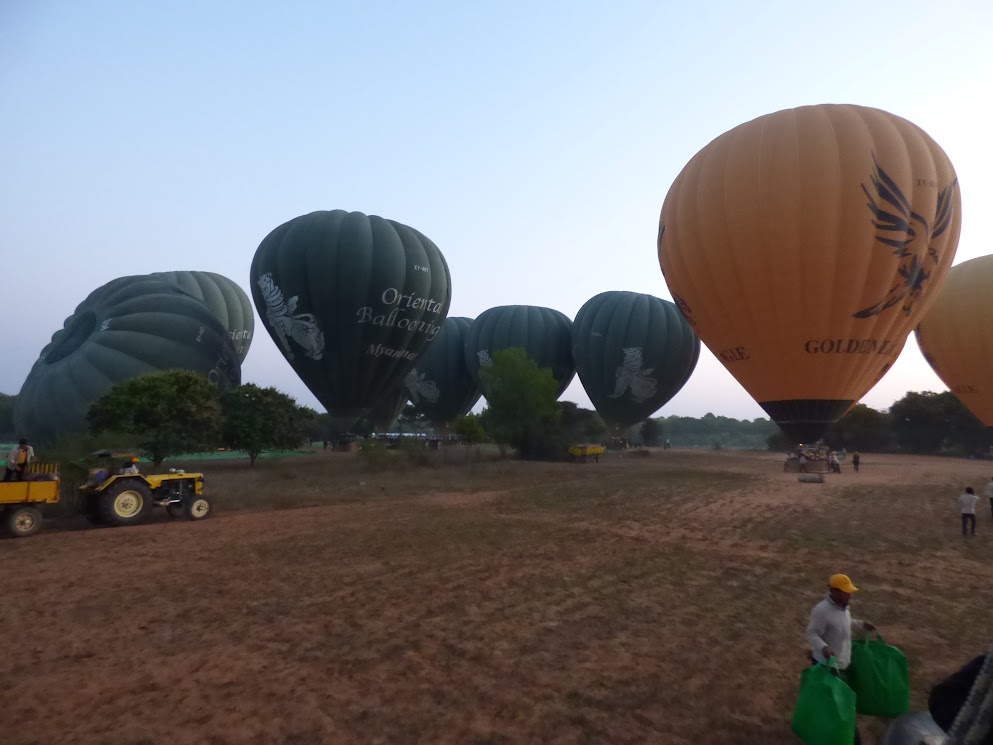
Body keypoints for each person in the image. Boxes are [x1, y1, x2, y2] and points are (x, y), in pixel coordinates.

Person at [805, 574, 877, 745]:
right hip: (826, 666)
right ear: (834, 591)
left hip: (843, 664)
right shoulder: (822, 610)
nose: (850, 594)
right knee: (842, 706)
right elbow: (812, 633)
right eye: (846, 592)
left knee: (835, 705)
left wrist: (861, 625)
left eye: (850, 591)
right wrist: (823, 647)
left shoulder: (843, 607)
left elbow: (845, 623)